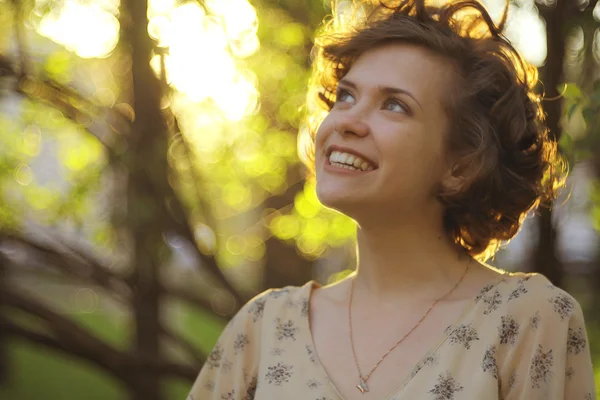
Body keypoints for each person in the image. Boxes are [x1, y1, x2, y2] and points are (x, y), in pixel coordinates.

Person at [187, 0, 597, 398]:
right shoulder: (263, 328)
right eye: (346, 96)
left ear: (462, 165)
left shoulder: (528, 321)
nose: (346, 120)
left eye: (395, 105)